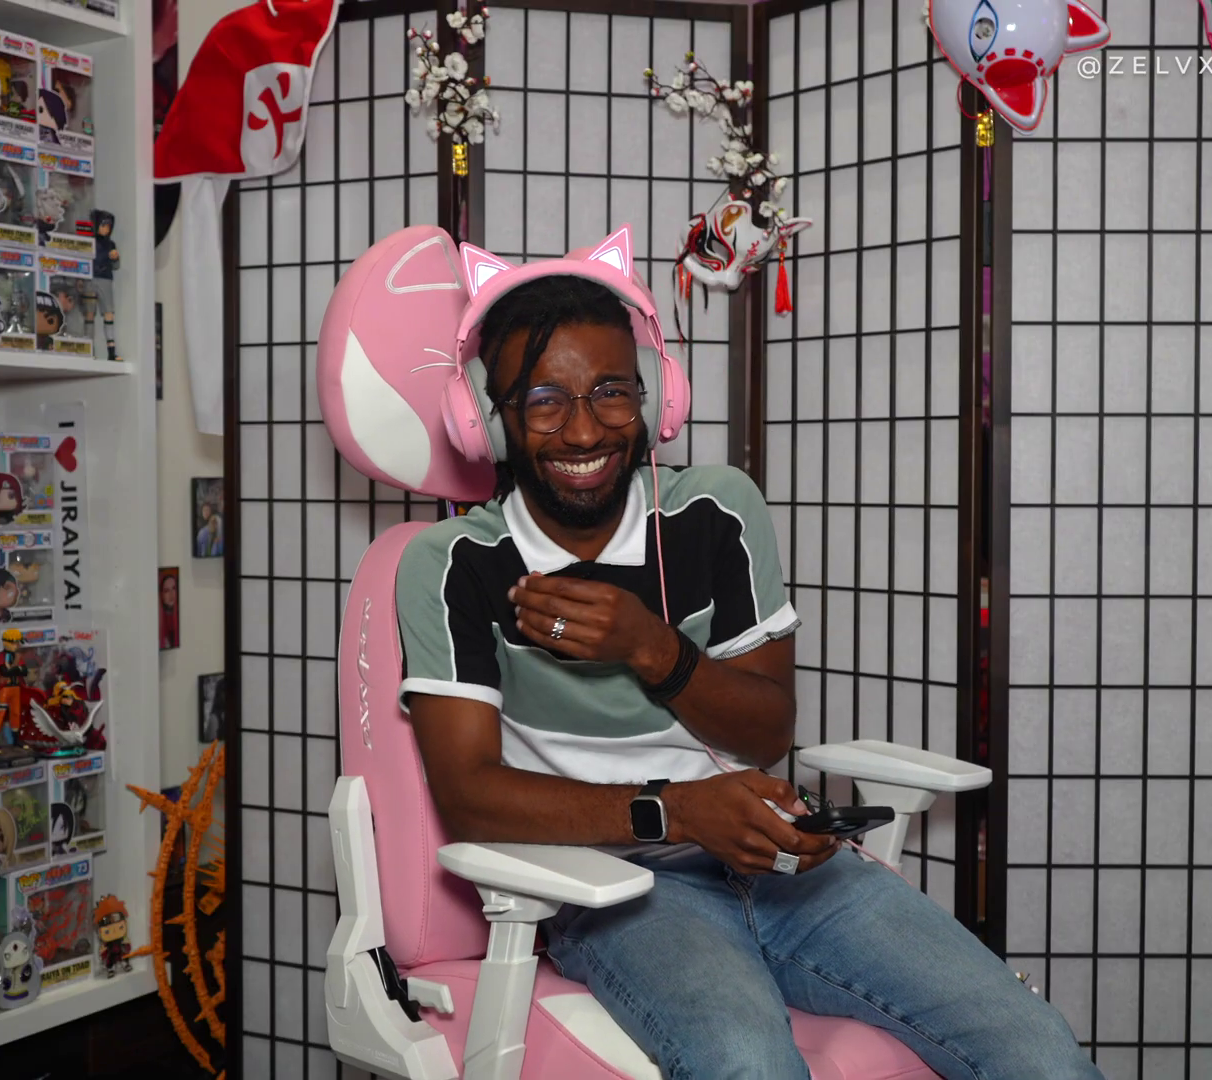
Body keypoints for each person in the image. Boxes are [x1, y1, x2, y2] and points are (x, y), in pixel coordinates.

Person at [397, 274, 1101, 1079]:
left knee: (1039, 1051)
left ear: (655, 396)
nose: (584, 429)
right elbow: (471, 795)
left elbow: (767, 732)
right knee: (748, 1063)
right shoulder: (452, 563)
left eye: (612, 392)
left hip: (778, 862)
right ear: (490, 420)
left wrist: (654, 649)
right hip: (616, 888)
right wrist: (677, 812)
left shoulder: (716, 511)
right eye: (544, 401)